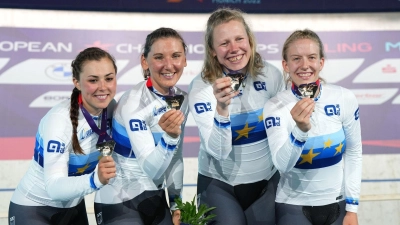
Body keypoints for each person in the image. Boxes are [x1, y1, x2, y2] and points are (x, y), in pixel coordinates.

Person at [188, 7, 285, 225]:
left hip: (266, 183)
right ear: (212, 50)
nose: (234, 49)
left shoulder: (270, 75)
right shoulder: (201, 88)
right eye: (224, 43)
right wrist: (222, 108)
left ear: (249, 40)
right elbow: (219, 152)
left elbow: (282, 134)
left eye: (239, 39)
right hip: (219, 185)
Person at [8, 47, 118, 225]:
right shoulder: (59, 120)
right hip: (34, 208)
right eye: (93, 80)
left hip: (73, 208)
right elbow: (54, 188)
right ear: (76, 82)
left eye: (109, 78)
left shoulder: (112, 108)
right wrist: (95, 179)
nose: (103, 87)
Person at [263, 29, 362, 225]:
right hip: (292, 207)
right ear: (286, 65)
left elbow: (354, 153)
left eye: (311, 57)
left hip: (338, 204)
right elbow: (281, 165)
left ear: (321, 62)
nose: (305, 65)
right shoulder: (275, 106)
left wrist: (352, 208)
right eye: (296, 58)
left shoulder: (343, 98)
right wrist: (299, 130)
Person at [94, 27, 188, 225]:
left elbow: (175, 156)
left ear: (185, 60)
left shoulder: (182, 99)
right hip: (118, 201)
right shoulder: (133, 104)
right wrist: (170, 137)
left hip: (154, 197)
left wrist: (176, 204)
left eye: (176, 56)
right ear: (145, 62)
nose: (169, 65)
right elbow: (152, 170)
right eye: (159, 57)